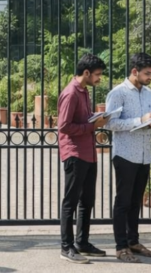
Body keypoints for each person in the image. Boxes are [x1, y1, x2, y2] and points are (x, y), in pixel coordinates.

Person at [104, 52, 151, 263]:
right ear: (134, 71)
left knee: (136, 201)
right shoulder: (117, 93)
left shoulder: (149, 93)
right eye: (147, 73)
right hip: (125, 154)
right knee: (123, 201)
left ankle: (133, 241)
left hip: (144, 154)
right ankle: (121, 247)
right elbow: (110, 124)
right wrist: (139, 119)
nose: (150, 77)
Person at [56, 54, 110, 264]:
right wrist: (93, 126)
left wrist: (95, 120)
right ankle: (66, 246)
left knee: (87, 201)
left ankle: (82, 243)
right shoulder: (71, 93)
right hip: (74, 154)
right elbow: (64, 126)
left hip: (88, 153)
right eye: (97, 75)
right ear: (86, 73)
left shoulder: (84, 91)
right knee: (70, 202)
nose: (99, 79)